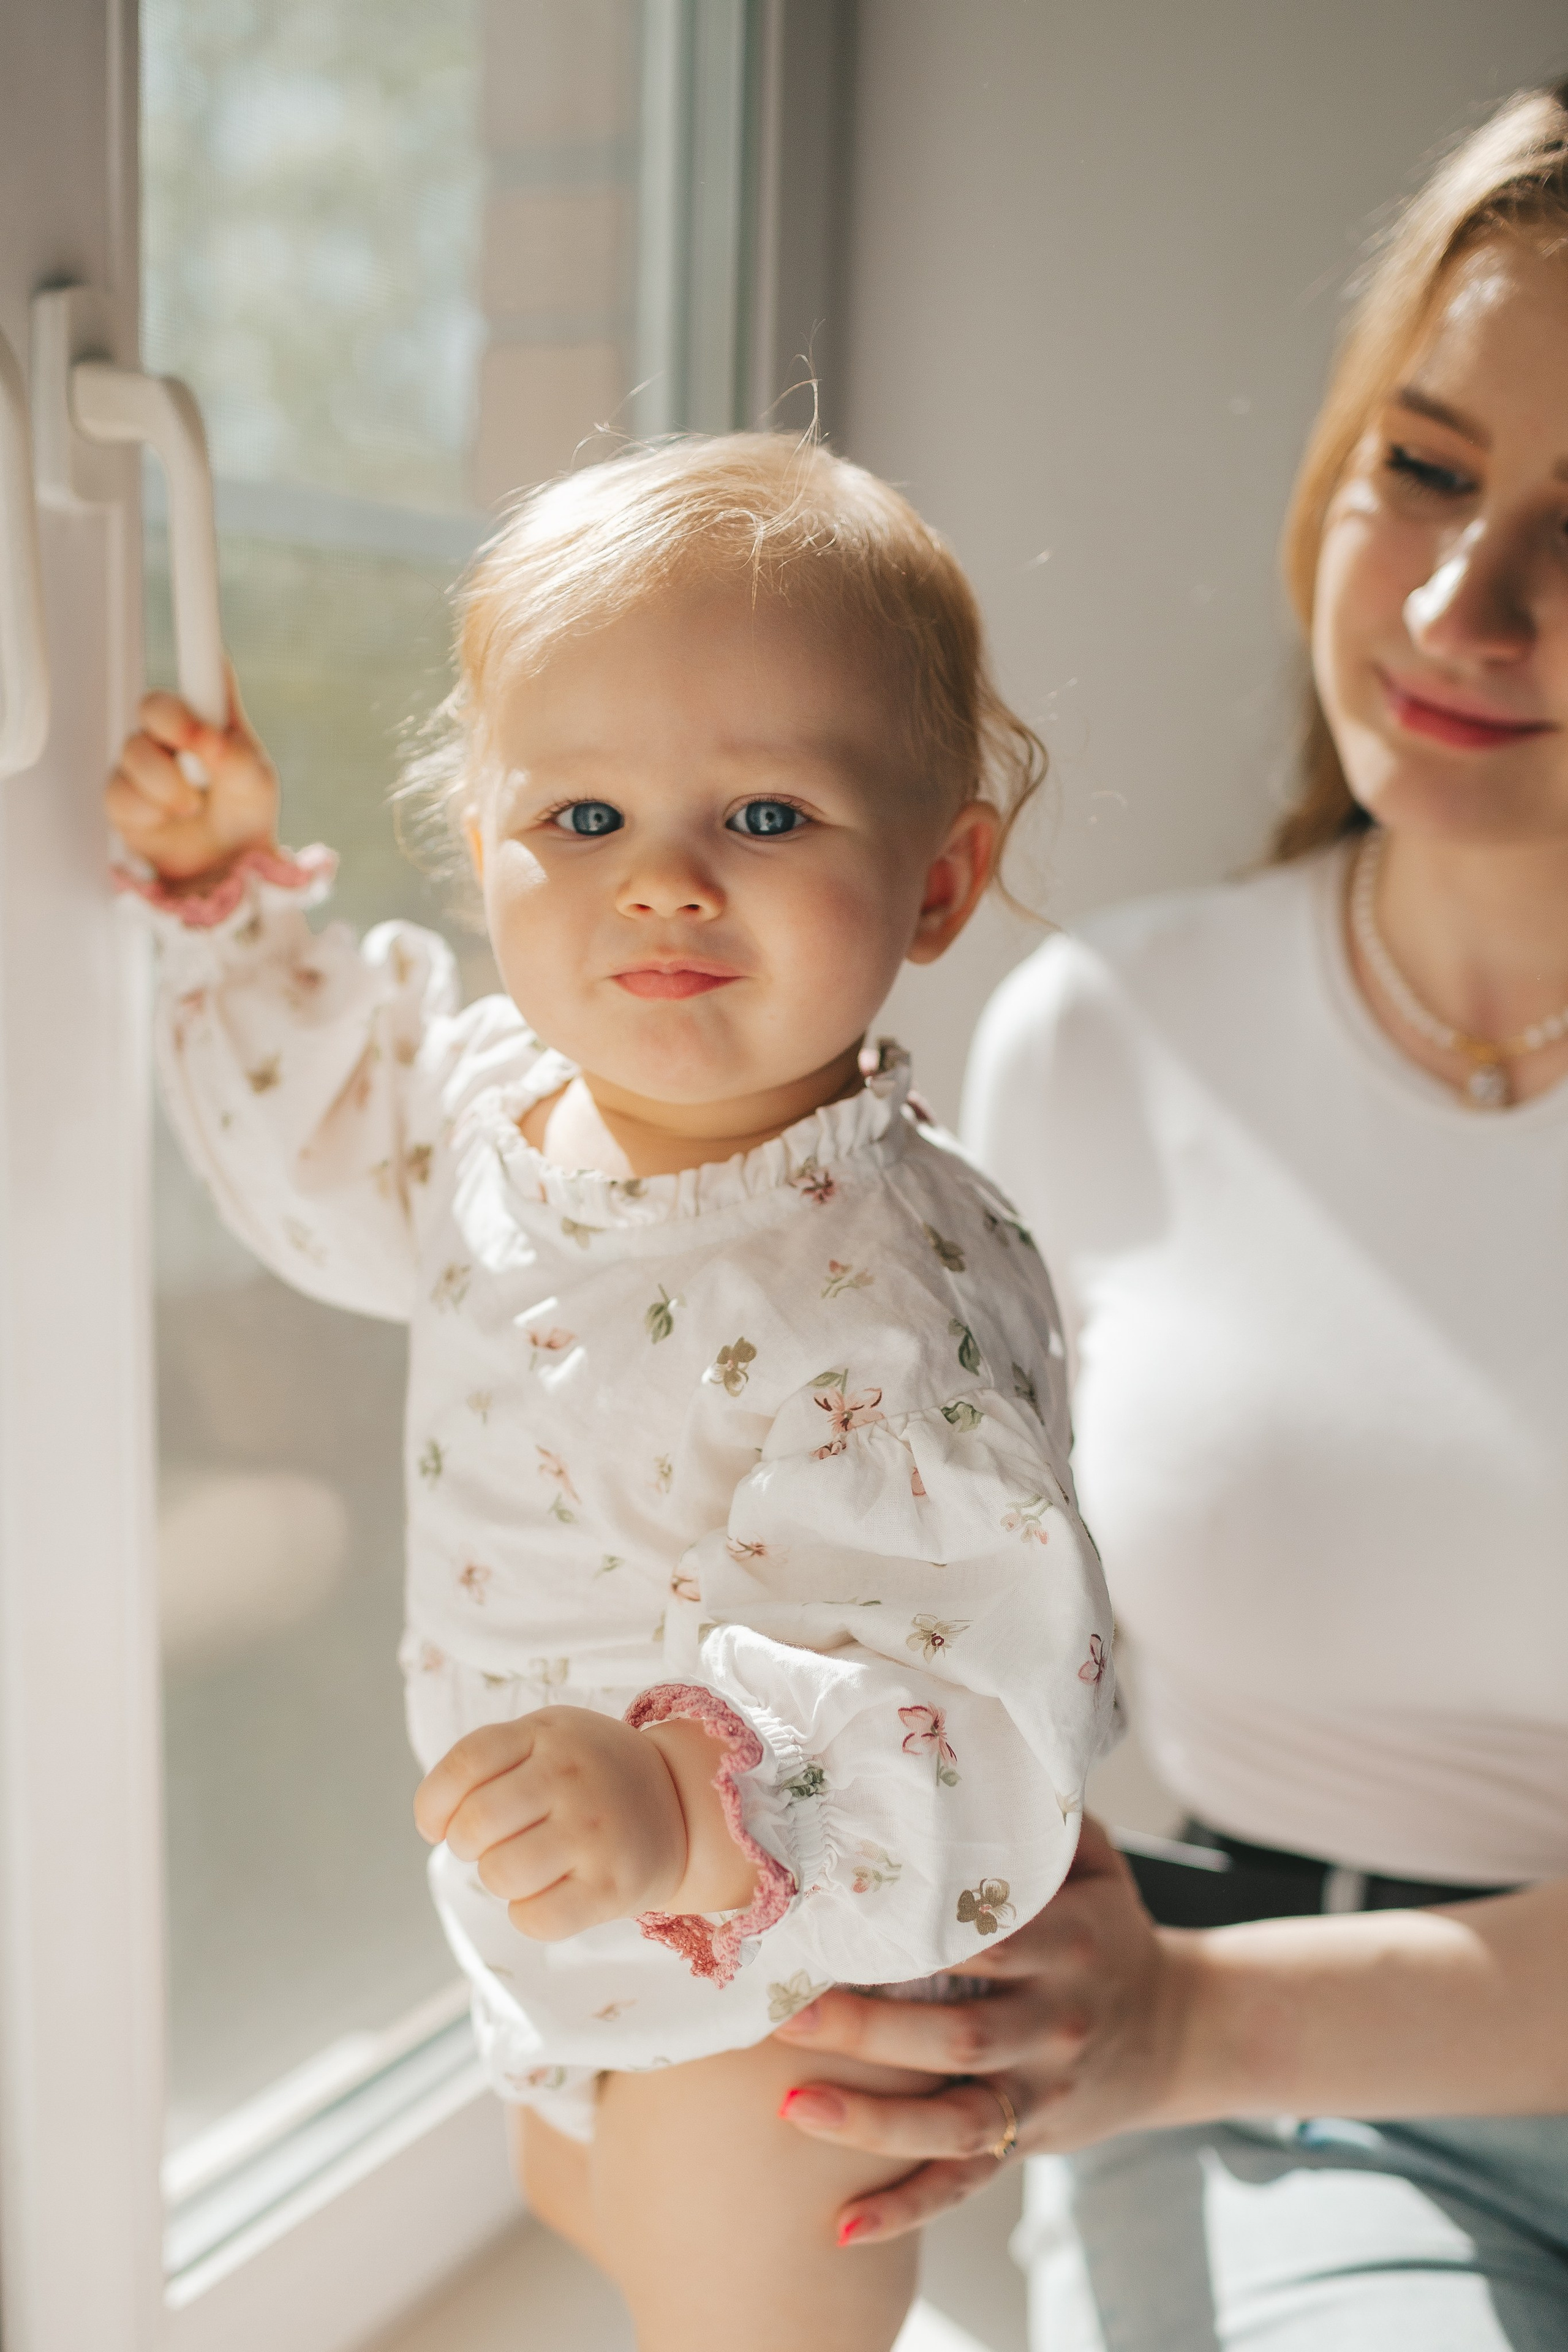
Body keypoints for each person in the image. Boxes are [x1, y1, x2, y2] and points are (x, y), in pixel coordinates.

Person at [104, 435, 1117, 2352]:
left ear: (939, 881)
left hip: (781, 1983)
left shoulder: (874, 1308)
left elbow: (981, 1691)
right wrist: (224, 897)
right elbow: (321, 1133)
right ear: (480, 836)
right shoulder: (493, 1108)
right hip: (554, 1931)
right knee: (591, 2224)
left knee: (738, 2308)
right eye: (581, 819)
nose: (659, 882)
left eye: (765, 816)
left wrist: (687, 1801)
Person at [773, 80, 1568, 2351]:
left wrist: (1188, 2019)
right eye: (1426, 467)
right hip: (1291, 2136)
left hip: (1215, 2032)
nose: (1466, 603)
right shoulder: (1106, 1038)